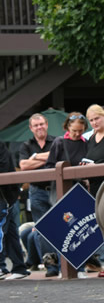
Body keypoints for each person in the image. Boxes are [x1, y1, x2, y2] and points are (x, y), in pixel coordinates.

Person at [46, 112, 92, 278]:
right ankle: (62, 267)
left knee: (80, 229)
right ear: (67, 128)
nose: (77, 134)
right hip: (61, 191)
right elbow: (49, 166)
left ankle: (79, 267)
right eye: (74, 131)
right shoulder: (59, 142)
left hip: (79, 190)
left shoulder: (86, 143)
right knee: (63, 229)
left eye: (80, 130)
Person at [19, 113, 59, 277]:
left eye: (41, 124)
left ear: (46, 124)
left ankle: (66, 265)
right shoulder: (26, 145)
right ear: (31, 128)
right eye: (35, 125)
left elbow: (59, 158)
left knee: (60, 226)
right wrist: (48, 158)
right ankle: (51, 266)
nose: (39, 127)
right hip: (37, 192)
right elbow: (23, 166)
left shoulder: (56, 141)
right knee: (43, 229)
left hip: (56, 189)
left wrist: (34, 158)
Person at [0, 141, 30, 280]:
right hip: (8, 196)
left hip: (5, 196)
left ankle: (3, 267)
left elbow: (4, 167)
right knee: (10, 232)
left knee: (4, 230)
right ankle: (19, 267)